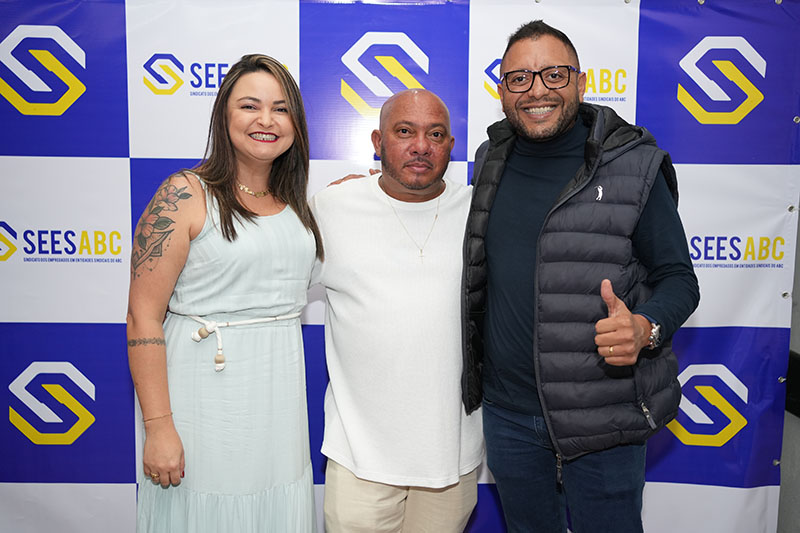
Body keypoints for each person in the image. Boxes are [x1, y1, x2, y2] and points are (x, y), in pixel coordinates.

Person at [461, 20, 700, 533]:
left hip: (603, 414)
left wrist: (645, 327)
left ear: (581, 82)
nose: (537, 90)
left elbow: (679, 278)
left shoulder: (634, 164)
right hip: (508, 416)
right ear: (502, 91)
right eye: (519, 78)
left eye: (554, 74)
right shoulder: (489, 160)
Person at [126, 54, 322, 533]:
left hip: (277, 400)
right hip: (201, 400)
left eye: (280, 108)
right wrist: (158, 426)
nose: (266, 120)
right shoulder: (184, 193)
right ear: (224, 115)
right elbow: (142, 316)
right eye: (250, 106)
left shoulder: (296, 204)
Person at [310, 89, 484, 533]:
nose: (421, 145)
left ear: (450, 146)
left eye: (436, 134)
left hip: (452, 458)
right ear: (377, 141)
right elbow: (268, 291)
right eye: (404, 131)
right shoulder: (331, 208)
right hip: (359, 459)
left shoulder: (480, 213)